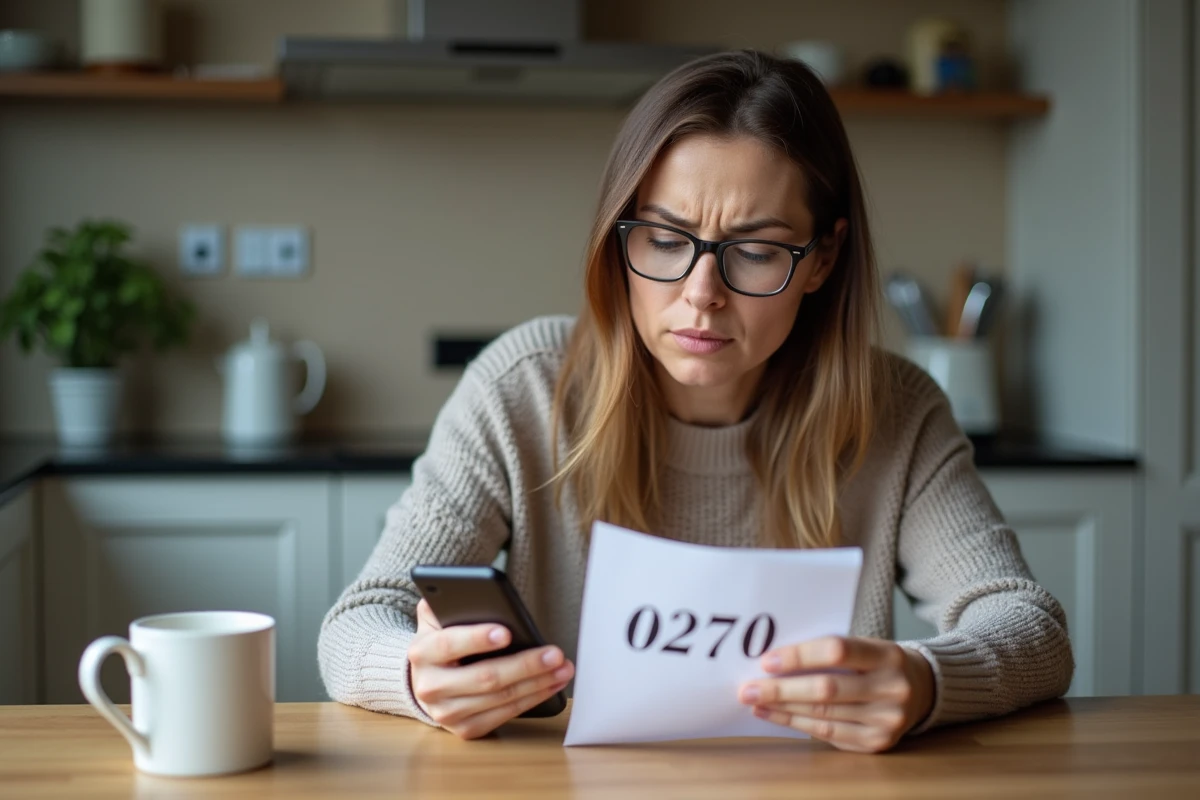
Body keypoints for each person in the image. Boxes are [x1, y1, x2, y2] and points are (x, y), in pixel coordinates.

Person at [318, 49, 1073, 754]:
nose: (700, 296)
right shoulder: (522, 386)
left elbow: (1031, 628)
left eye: (755, 250)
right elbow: (358, 624)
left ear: (824, 259)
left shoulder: (895, 411)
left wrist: (926, 681)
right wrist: (417, 676)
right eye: (665, 240)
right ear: (621, 237)